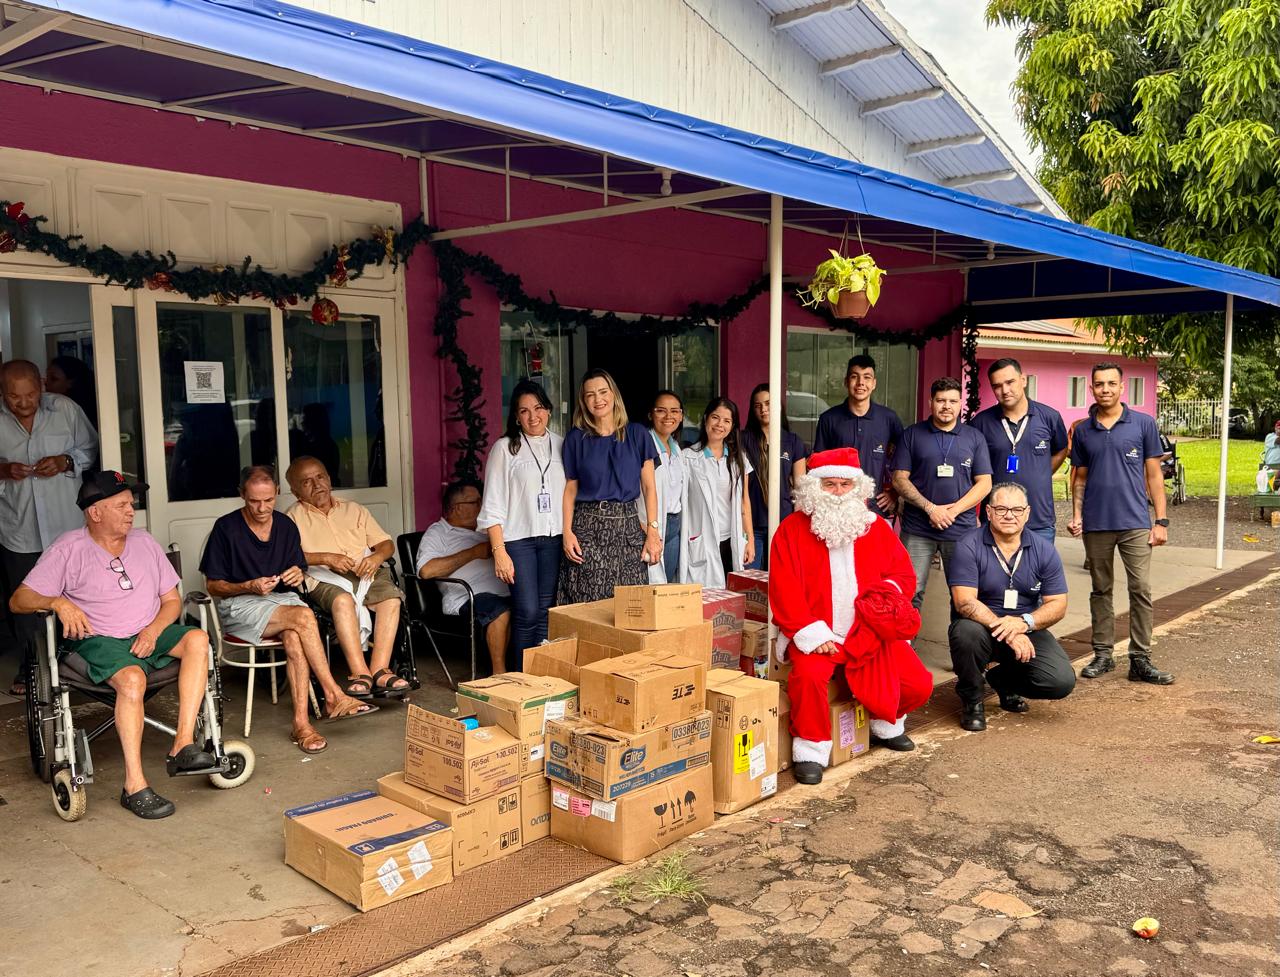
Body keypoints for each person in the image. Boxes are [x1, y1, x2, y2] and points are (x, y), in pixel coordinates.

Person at [10, 471, 215, 819]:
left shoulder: (146, 543)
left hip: (149, 631)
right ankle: (134, 785)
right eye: (120, 504)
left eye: (130, 504)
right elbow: (19, 599)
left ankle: (182, 743)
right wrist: (59, 602)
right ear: (95, 512)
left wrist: (153, 631)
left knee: (198, 639)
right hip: (99, 640)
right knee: (133, 679)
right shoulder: (68, 549)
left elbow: (171, 600)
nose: (130, 511)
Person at [769, 448, 933, 784]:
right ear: (814, 488)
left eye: (846, 484)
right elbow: (784, 590)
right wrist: (815, 635)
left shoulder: (876, 528)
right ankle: (811, 749)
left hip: (870, 633)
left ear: (858, 488)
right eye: (830, 484)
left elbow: (902, 577)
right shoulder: (791, 530)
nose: (840, 492)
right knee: (809, 678)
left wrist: (880, 608)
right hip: (818, 633)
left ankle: (886, 724)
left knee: (917, 683)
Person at [201, 465, 373, 756]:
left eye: (268, 500)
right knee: (304, 617)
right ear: (242, 495)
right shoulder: (226, 528)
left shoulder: (285, 525)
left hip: (282, 603)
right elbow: (213, 586)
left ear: (277, 494)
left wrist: (295, 574)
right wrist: (249, 585)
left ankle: (301, 724)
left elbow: (296, 568)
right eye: (254, 500)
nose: (262, 507)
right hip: (241, 605)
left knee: (295, 636)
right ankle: (333, 694)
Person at [1068, 364, 1174, 685]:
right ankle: (1103, 654)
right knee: (1101, 590)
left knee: (1140, 588)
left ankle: (1140, 659)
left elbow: (1154, 476)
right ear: (1091, 388)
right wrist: (1076, 514)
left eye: (1111, 383)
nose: (1105, 389)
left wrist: (1161, 521)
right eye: (1099, 384)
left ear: (1122, 387)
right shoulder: (1083, 429)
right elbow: (1080, 479)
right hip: (1096, 524)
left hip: (1135, 523)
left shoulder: (1143, 424)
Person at [1, 359, 99, 696]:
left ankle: (76, 665)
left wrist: (65, 461)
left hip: (65, 526)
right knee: (27, 602)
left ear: (41, 386)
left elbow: (91, 448)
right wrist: (3, 470)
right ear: (3, 393)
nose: (24, 403)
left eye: (30, 394)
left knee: (75, 596)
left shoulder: (65, 409)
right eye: (14, 397)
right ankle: (32, 668)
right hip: (20, 528)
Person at [947, 482, 1076, 732]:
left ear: (1027, 513)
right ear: (989, 512)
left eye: (1017, 510)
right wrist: (1008, 629)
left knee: (1060, 681)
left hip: (1025, 626)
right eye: (1002, 508)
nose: (1009, 515)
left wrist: (1023, 623)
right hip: (981, 628)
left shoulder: (1044, 550)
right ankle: (972, 701)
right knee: (965, 633)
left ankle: (1002, 681)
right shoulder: (968, 545)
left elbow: (1058, 604)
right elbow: (964, 602)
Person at [285, 455, 409, 700]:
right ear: (295, 491)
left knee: (391, 601)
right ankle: (359, 672)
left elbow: (385, 544)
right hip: (324, 578)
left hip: (365, 572)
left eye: (320, 477)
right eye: (307, 481)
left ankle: (380, 670)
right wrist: (325, 558)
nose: (317, 484)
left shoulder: (354, 510)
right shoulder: (291, 518)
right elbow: (287, 557)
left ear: (329, 479)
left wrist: (375, 558)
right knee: (343, 601)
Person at [558, 370, 662, 603]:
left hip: (628, 527)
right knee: (589, 605)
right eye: (590, 395)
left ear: (614, 395)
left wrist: (653, 530)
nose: (598, 399)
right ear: (583, 402)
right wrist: (567, 532)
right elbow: (570, 490)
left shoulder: (638, 434)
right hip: (587, 528)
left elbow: (649, 488)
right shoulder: (576, 439)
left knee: (632, 605)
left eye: (603, 392)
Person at [891, 377, 993, 611]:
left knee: (964, 597)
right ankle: (905, 647)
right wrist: (930, 508)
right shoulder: (912, 434)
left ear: (960, 404)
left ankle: (963, 648)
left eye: (952, 401)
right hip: (917, 529)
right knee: (909, 593)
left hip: (961, 530)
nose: (946, 406)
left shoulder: (974, 437)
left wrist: (952, 511)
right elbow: (899, 479)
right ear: (930, 402)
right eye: (941, 400)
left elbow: (985, 483)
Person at [479, 380, 565, 655]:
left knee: (545, 613)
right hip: (519, 542)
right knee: (526, 611)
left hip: (554, 539)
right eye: (524, 411)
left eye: (538, 408)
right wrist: (499, 551)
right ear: (516, 416)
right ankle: (519, 678)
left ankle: (537, 679)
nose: (533, 416)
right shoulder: (505, 448)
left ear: (548, 410)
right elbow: (492, 503)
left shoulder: (562, 445)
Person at [417, 481, 513, 675]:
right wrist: (474, 552)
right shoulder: (438, 532)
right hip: (468, 596)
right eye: (476, 502)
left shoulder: (486, 530)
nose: (482, 506)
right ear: (456, 508)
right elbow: (426, 571)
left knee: (534, 606)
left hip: (507, 588)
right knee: (500, 610)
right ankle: (499, 675)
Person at [969, 358, 1068, 539]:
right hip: (994, 521)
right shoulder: (980, 424)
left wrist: (1043, 471)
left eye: (1010, 382)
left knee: (1037, 568)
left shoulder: (1049, 417)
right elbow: (972, 471)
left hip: (1039, 521)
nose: (1005, 391)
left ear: (1023, 380)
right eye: (997, 386)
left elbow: (1061, 449)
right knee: (993, 568)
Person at [813, 355, 904, 520]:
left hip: (876, 510)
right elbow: (818, 465)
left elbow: (905, 460)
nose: (861, 382)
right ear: (846, 381)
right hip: (837, 509)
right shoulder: (829, 419)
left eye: (867, 377)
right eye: (855, 377)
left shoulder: (888, 419)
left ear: (874, 383)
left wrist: (894, 493)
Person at [680, 397, 755, 586]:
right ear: (705, 418)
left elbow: (744, 503)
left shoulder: (738, 459)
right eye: (715, 417)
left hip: (731, 539)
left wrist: (750, 539)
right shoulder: (688, 457)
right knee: (706, 599)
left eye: (727, 421)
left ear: (732, 426)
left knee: (730, 600)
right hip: (701, 540)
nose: (719, 424)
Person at [740, 383, 808, 569]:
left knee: (780, 582)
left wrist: (797, 527)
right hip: (751, 526)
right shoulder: (743, 439)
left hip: (783, 524)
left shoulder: (793, 441)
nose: (763, 409)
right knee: (751, 585)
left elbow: (800, 489)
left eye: (768, 403)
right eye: (758, 405)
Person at [643, 390, 687, 584]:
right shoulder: (643, 445)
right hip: (650, 527)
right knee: (649, 585)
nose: (668, 416)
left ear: (681, 415)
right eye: (661, 410)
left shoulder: (676, 448)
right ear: (650, 414)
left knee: (666, 585)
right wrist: (646, 529)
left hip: (674, 526)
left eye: (674, 411)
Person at [45, 355, 99, 432]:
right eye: (47, 377)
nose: (46, 382)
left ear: (71, 382)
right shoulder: (46, 405)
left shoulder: (79, 413)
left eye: (53, 379)